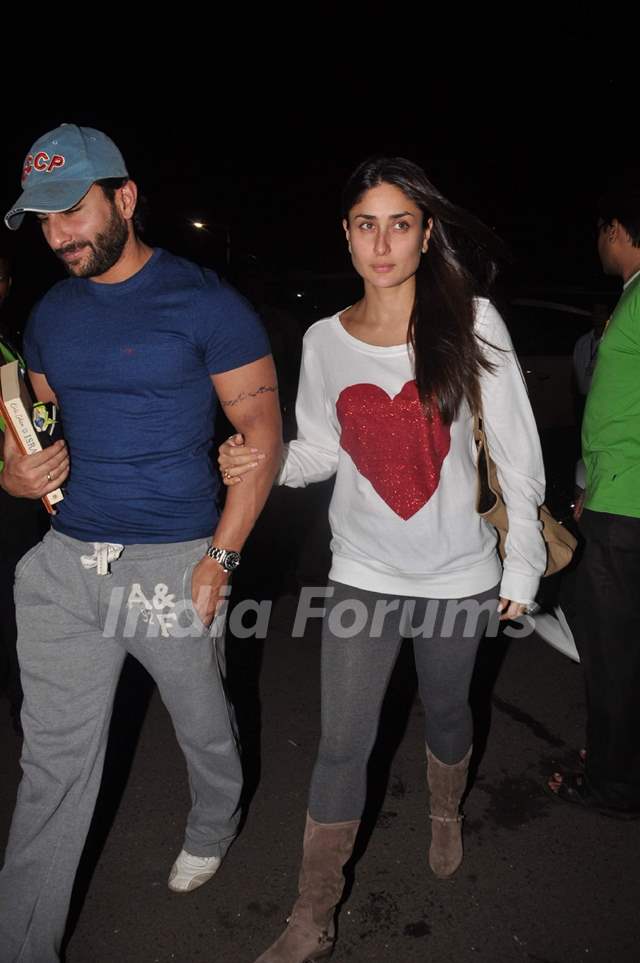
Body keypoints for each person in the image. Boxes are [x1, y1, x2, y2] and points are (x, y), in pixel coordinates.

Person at [219, 156, 546, 963]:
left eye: (400, 223)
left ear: (426, 232)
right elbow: (323, 449)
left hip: (459, 578)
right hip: (362, 571)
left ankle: (445, 806)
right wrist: (255, 460)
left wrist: (523, 564)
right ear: (346, 234)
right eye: (366, 224)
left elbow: (518, 452)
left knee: (445, 711)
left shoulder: (469, 320)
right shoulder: (326, 339)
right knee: (341, 742)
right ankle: (311, 912)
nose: (382, 242)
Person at [0, 124, 282, 963]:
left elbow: (260, 428)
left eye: (72, 211)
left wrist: (221, 555)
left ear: (124, 198)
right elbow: (36, 417)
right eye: (42, 220)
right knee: (49, 772)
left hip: (174, 558)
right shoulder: (50, 313)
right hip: (63, 567)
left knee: (204, 724)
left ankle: (215, 815)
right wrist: (16, 473)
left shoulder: (206, 303)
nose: (58, 235)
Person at [547, 179, 640, 816]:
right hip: (614, 496)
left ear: (617, 230)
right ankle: (619, 759)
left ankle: (615, 783)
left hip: (627, 507)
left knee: (611, 652)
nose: (598, 245)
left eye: (601, 232)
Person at [0, 254, 48, 734]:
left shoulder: (8, 339)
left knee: (19, 608)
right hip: (8, 487)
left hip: (17, 499)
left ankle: (26, 709)